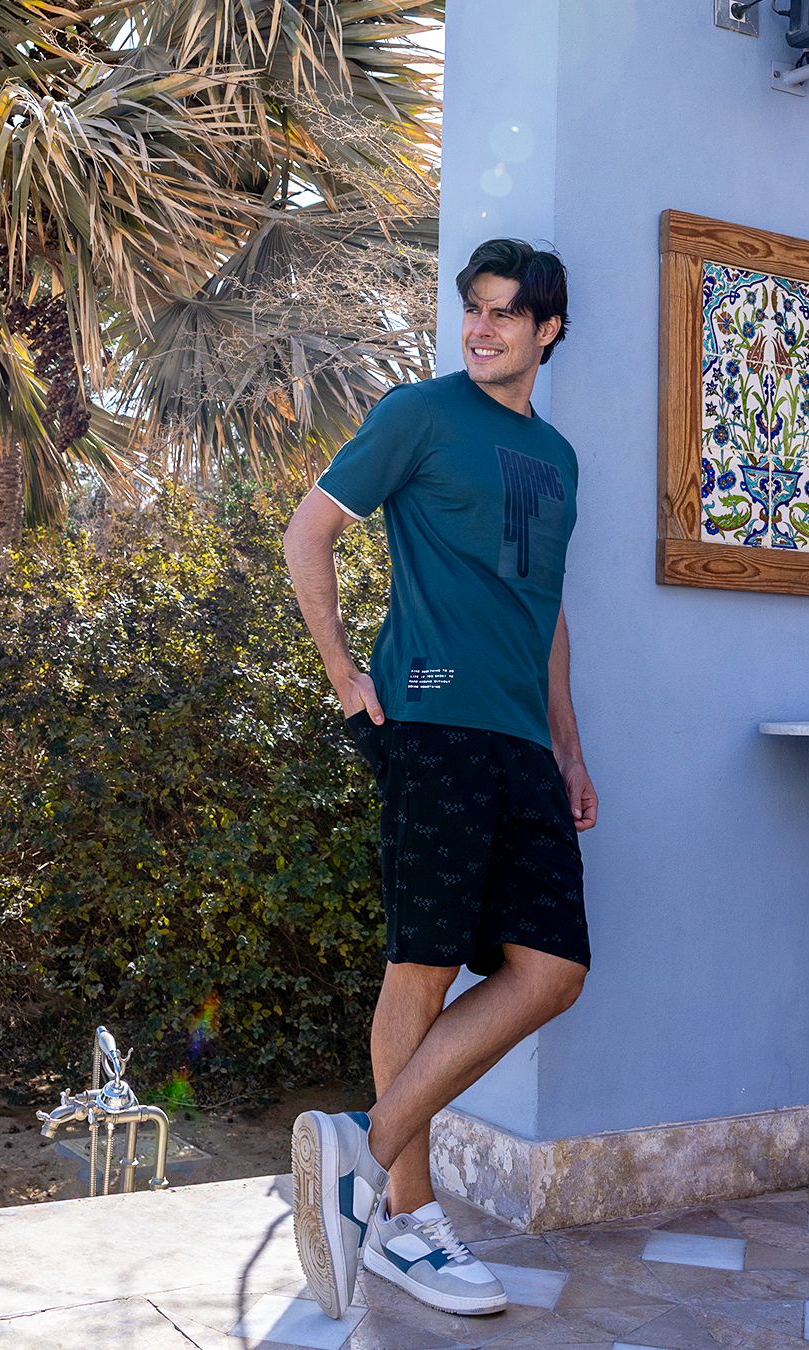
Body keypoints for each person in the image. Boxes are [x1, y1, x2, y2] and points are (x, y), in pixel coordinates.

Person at [283, 238, 597, 1322]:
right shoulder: (418, 413)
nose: (482, 326)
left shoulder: (557, 458)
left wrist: (569, 746)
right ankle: (406, 1220)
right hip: (431, 721)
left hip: (520, 742)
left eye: (506, 312)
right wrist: (343, 674)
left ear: (548, 329)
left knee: (552, 970)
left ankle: (359, 1152)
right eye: (475, 308)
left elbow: (545, 612)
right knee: (420, 968)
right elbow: (309, 532)